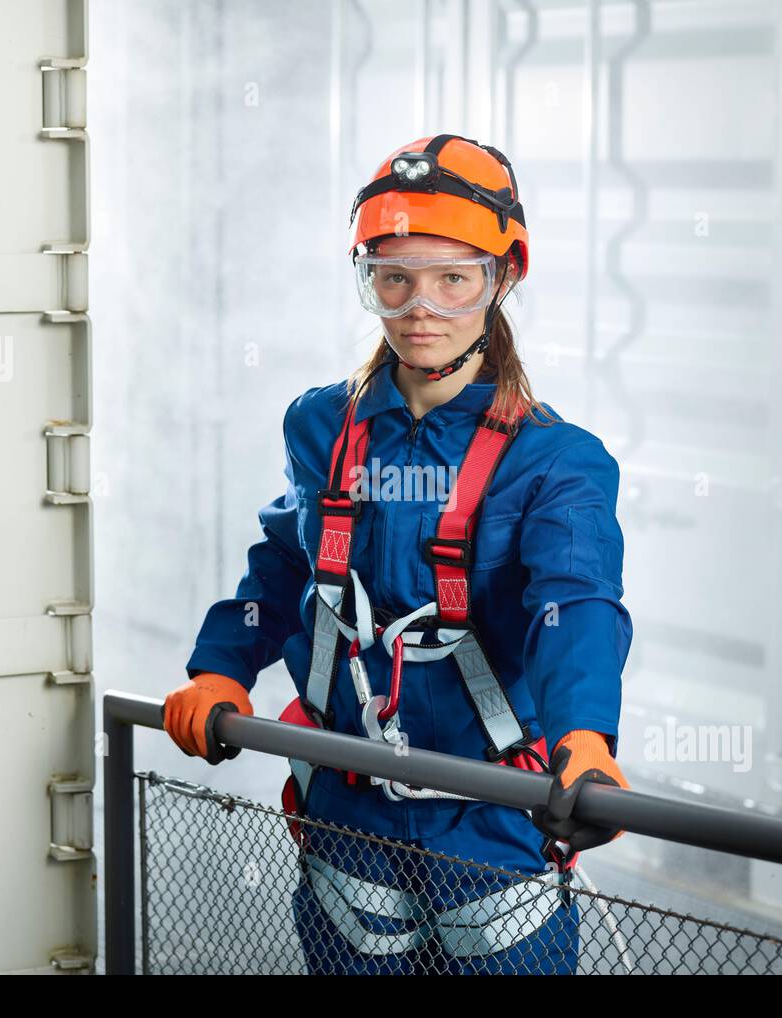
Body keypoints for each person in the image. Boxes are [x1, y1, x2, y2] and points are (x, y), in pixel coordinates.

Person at [164, 134, 633, 974]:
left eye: (455, 278)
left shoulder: (554, 461)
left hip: (491, 818)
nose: (423, 306)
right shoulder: (321, 427)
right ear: (368, 280)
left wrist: (586, 735)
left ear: (504, 278)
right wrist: (221, 665)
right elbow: (283, 559)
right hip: (348, 806)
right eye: (395, 278)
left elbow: (578, 600)